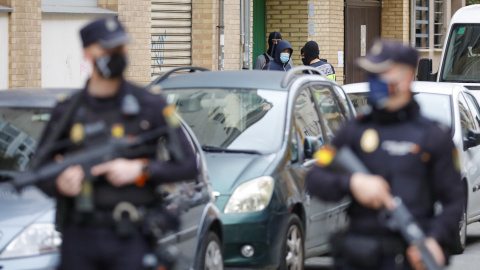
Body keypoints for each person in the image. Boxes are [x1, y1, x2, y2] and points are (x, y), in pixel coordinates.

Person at [34, 17, 198, 270]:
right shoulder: (67, 110)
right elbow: (38, 169)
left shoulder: (150, 104)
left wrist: (142, 169)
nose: (117, 55)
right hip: (80, 236)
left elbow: (189, 165)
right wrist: (60, 184)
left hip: (131, 234)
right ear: (88, 53)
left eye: (120, 49)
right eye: (108, 50)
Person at [305, 39, 463, 270]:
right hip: (360, 257)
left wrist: (434, 238)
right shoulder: (354, 131)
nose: (374, 81)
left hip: (411, 258)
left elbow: (454, 200)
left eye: (382, 74)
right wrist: (353, 182)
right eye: (371, 74)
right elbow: (315, 178)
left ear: (406, 77)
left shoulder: (433, 136)